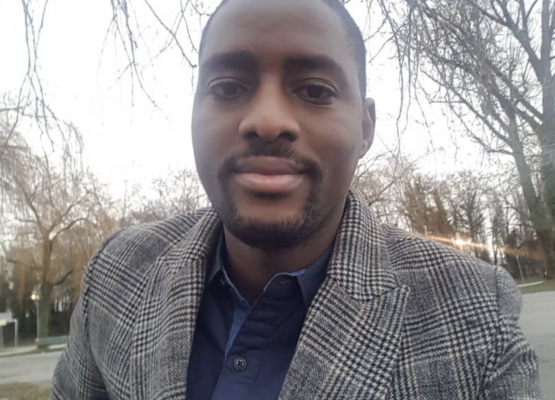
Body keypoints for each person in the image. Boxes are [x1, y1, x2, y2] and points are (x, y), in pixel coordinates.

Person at [51, 0, 541, 398]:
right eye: (227, 87)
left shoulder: (476, 314)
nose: (266, 121)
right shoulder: (116, 274)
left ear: (365, 128)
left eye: (315, 90)